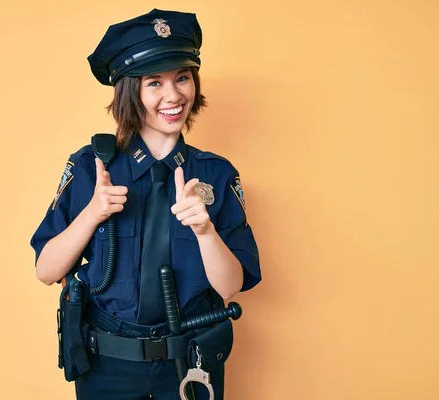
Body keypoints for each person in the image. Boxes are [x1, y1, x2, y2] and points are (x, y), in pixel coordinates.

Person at [30, 8, 261, 400]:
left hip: (191, 364)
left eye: (182, 78)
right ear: (129, 91)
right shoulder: (91, 166)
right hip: (107, 366)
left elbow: (232, 286)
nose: (173, 96)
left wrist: (205, 232)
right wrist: (92, 214)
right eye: (154, 82)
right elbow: (46, 270)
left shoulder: (216, 175)